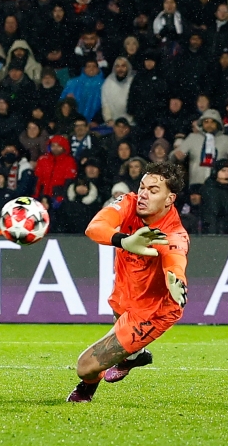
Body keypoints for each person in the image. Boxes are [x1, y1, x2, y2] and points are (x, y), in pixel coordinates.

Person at [68, 162, 188, 403]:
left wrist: (177, 278)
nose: (143, 194)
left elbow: (175, 260)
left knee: (85, 366)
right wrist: (123, 240)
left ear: (169, 198)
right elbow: (94, 228)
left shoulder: (173, 233)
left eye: (153, 191)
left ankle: (87, 387)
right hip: (125, 293)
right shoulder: (129, 202)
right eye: (142, 186)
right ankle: (135, 356)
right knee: (118, 337)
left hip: (152, 312)